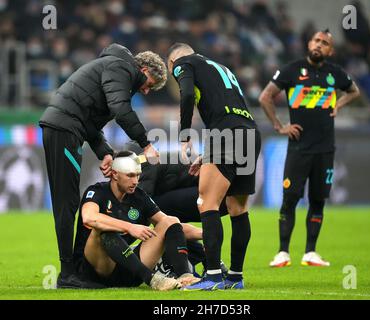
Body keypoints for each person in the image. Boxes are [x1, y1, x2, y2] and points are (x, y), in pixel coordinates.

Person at [39, 43, 165, 288]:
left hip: (66, 128)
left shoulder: (113, 69)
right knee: (67, 203)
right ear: (144, 69)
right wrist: (146, 144)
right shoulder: (122, 68)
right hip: (64, 129)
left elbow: (88, 120)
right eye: (149, 84)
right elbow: (121, 110)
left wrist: (105, 153)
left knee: (68, 202)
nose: (147, 91)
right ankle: (68, 274)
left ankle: (72, 271)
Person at [258, 29, 360, 267]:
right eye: (316, 40)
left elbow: (354, 91)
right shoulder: (291, 70)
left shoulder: (335, 73)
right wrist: (279, 126)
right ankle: (283, 252)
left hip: (325, 149)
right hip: (298, 148)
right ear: (308, 43)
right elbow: (265, 97)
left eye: (324, 43)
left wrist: (339, 104)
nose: (319, 45)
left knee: (318, 200)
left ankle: (310, 252)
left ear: (330, 50)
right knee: (290, 199)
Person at [166, 43, 261, 290]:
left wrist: (185, 134)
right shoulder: (221, 67)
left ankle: (213, 275)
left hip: (225, 134)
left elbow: (187, 95)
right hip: (249, 133)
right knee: (237, 207)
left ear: (172, 63)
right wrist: (210, 152)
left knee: (206, 203)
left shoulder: (183, 63)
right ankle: (235, 277)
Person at [74, 151, 200, 290]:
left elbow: (172, 225)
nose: (135, 181)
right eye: (130, 175)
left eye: (138, 175)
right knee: (102, 229)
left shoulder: (139, 196)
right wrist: (129, 227)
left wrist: (205, 233)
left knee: (170, 221)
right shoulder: (97, 191)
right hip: (97, 270)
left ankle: (186, 276)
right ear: (115, 174)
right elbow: (89, 218)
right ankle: (152, 279)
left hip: (129, 269)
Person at [136, 153, 229, 276]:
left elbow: (142, 204)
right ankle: (209, 261)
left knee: (160, 214)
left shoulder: (145, 166)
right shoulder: (155, 160)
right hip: (224, 194)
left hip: (213, 194)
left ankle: (198, 261)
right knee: (166, 219)